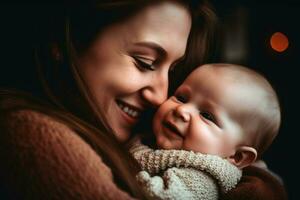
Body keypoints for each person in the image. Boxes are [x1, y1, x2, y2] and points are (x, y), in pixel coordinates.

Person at [0, 0, 287, 199]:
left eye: (172, 71)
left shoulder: (151, 136)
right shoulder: (30, 132)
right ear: (67, 40)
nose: (162, 96)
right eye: (144, 62)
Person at [129, 63, 281, 200]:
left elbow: (166, 196)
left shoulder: (202, 177)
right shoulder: (145, 137)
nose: (181, 110)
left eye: (206, 115)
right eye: (181, 98)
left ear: (237, 156)